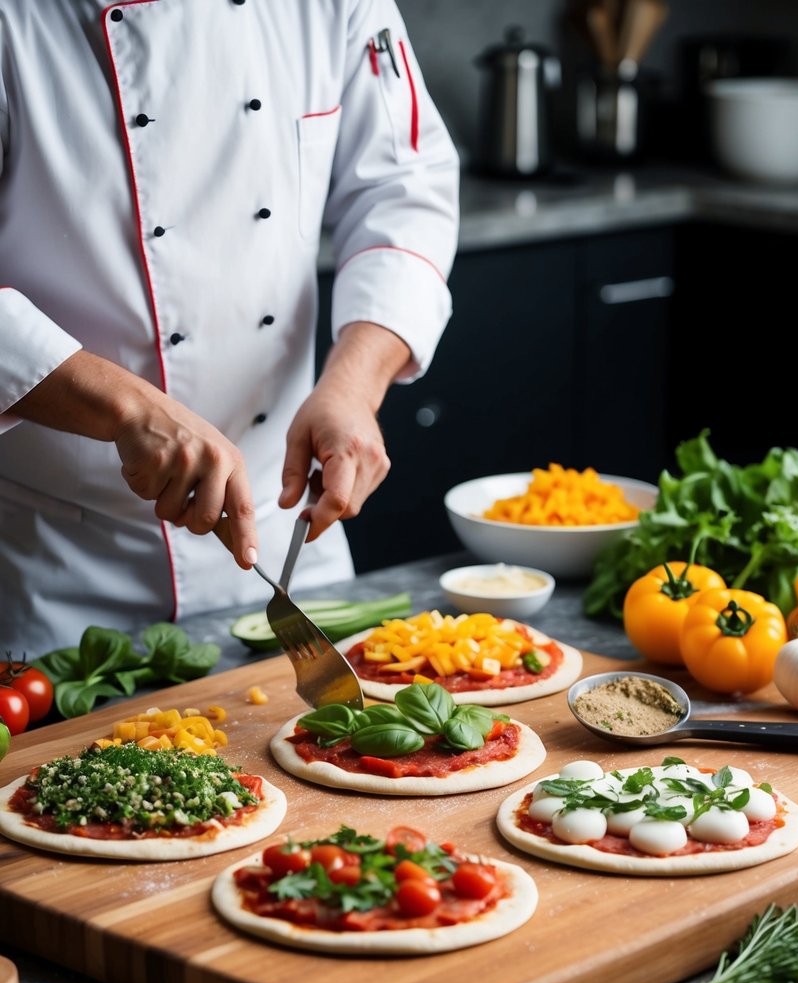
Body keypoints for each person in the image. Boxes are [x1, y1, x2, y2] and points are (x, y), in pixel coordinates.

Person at [0, 1, 460, 654]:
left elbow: (406, 187)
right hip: (59, 567)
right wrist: (122, 404)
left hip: (288, 539)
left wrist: (356, 383)